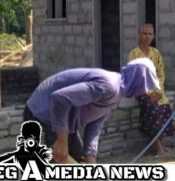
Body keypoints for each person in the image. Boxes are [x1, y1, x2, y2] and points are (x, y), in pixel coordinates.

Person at [23, 58, 160, 163]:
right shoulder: (109, 86)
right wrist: (62, 143)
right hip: (42, 113)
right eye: (146, 85)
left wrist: (91, 159)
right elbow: (60, 98)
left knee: (79, 159)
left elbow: (94, 126)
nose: (146, 91)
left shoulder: (117, 94)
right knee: (57, 160)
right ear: (139, 80)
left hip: (63, 121)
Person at [129, 24, 174, 156]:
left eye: (150, 34)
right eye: (144, 33)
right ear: (139, 35)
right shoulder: (134, 54)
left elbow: (161, 73)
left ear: (153, 36)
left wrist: (158, 91)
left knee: (165, 109)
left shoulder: (156, 53)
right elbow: (136, 76)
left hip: (157, 90)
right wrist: (149, 93)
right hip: (141, 90)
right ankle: (158, 147)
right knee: (153, 111)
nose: (147, 36)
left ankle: (162, 144)